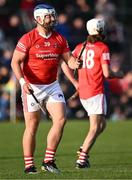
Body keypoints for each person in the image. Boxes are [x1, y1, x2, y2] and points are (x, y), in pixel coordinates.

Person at [11, 3, 81, 174]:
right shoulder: (27, 38)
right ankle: (29, 165)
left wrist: (77, 63)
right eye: (49, 16)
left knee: (61, 119)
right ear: (39, 19)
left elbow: (69, 60)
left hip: (51, 85)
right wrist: (22, 82)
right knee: (32, 127)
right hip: (32, 87)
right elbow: (15, 62)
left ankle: (49, 160)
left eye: (53, 15)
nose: (52, 19)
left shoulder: (59, 38)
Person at [72, 18, 123, 169]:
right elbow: (107, 74)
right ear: (101, 30)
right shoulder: (102, 47)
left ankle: (83, 149)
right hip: (95, 91)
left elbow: (70, 61)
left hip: (84, 93)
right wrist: (118, 74)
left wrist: (76, 82)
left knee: (102, 125)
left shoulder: (80, 47)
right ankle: (82, 159)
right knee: (95, 127)